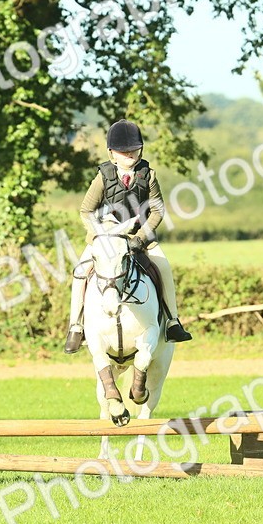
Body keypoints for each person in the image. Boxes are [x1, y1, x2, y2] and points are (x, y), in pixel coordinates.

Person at [64, 119, 192, 353]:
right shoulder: (103, 177)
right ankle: (76, 326)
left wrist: (141, 238)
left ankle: (172, 321)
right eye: (123, 151)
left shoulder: (148, 176)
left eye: (133, 149)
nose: (129, 154)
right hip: (106, 239)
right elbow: (86, 211)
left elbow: (157, 211)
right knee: (81, 272)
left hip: (138, 237)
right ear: (112, 153)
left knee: (164, 267)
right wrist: (97, 235)